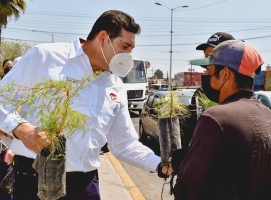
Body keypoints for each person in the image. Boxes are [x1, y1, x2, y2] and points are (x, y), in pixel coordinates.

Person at [0, 10, 170, 200]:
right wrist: (22, 129)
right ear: (104, 37)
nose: (128, 55)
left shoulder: (115, 85)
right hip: (36, 179)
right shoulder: (45, 57)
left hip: (86, 185)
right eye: (124, 46)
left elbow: (124, 144)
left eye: (131, 49)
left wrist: (159, 164)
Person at [173, 40, 271, 199]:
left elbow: (189, 187)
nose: (205, 76)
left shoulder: (216, 118)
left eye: (209, 70)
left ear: (225, 74)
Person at [185, 32, 235, 147]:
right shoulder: (200, 95)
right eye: (206, 57)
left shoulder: (239, 100)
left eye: (211, 57)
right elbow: (190, 134)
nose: (206, 67)